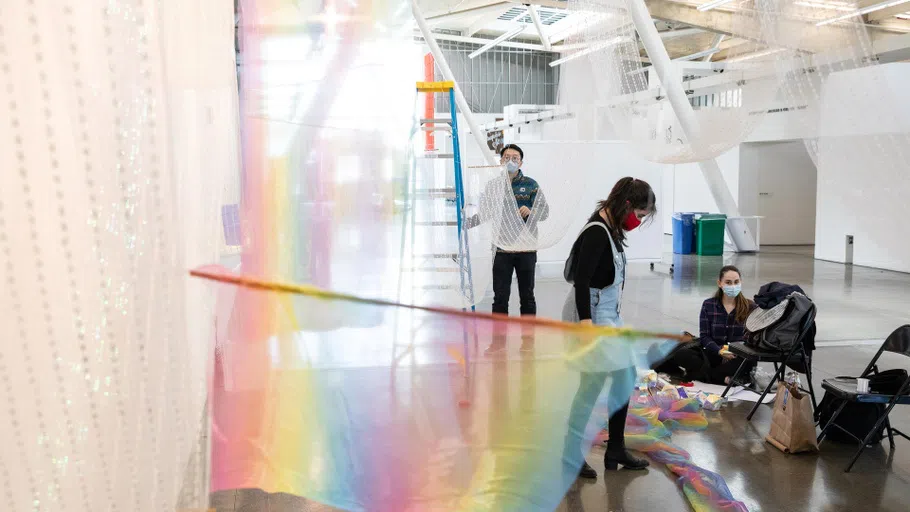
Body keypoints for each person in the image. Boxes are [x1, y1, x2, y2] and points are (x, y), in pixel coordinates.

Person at [562, 177, 656, 479]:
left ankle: (615, 447)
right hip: (591, 316)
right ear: (626, 204)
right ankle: (570, 454)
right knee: (590, 386)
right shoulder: (597, 233)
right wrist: (587, 327)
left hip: (608, 315)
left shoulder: (612, 229)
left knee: (624, 376)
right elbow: (582, 281)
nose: (638, 221)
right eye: (639, 214)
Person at [472, 143, 549, 354]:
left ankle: (528, 342)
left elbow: (544, 213)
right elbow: (485, 212)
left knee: (527, 297)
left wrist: (530, 210)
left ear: (521, 162)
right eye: (507, 158)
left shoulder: (531, 185)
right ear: (500, 161)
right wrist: (469, 222)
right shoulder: (494, 186)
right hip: (501, 250)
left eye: (515, 158)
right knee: (500, 297)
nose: (511, 161)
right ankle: (498, 343)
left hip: (526, 250)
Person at [697, 265, 757, 384]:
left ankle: (706, 376)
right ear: (720, 283)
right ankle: (726, 379)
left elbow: (753, 339)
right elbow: (704, 336)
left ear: (741, 282)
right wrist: (719, 351)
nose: (733, 286)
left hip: (738, 357)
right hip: (715, 353)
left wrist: (736, 351)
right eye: (728, 282)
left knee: (745, 361)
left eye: (736, 282)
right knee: (683, 353)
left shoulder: (751, 307)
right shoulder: (708, 305)